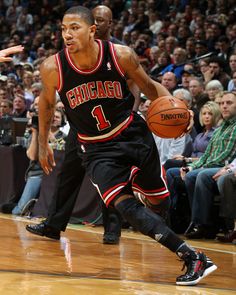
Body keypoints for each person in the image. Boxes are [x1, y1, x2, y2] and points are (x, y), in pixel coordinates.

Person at [26, 6, 216, 285]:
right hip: (96, 149)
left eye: (75, 27)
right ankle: (192, 257)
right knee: (124, 205)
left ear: (92, 30)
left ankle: (145, 195)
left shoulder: (120, 55)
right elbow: (45, 104)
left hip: (133, 134)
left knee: (159, 202)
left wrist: (182, 109)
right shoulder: (53, 67)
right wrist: (42, 143)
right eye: (64, 29)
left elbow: (151, 88)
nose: (67, 34)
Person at [181, 91, 236, 239]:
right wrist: (192, 166)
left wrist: (200, 167)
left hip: (225, 166)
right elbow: (206, 154)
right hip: (217, 166)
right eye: (222, 103)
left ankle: (203, 224)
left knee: (201, 175)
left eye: (229, 103)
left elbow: (226, 155)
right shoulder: (220, 129)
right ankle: (188, 221)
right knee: (178, 172)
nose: (224, 106)